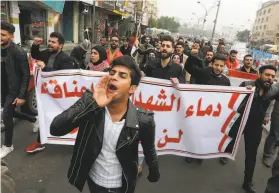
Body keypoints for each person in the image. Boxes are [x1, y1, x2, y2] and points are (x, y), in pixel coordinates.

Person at [49, 55, 160, 193]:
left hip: (122, 186)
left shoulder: (143, 119)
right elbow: (55, 128)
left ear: (132, 89)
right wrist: (93, 104)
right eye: (112, 73)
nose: (113, 77)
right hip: (93, 181)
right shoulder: (90, 103)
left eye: (122, 75)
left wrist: (154, 172)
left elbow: (149, 150)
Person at [224, 65, 279, 193]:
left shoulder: (274, 91)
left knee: (251, 155)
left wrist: (268, 115)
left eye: (272, 76)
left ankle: (247, 182)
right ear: (259, 74)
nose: (269, 78)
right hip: (240, 122)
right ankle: (226, 154)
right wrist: (245, 92)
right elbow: (233, 101)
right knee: (231, 141)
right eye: (267, 75)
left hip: (255, 127)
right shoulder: (246, 84)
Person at [26, 32, 75, 154]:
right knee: (44, 116)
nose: (50, 44)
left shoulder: (66, 59)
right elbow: (35, 55)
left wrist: (45, 68)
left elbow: (64, 76)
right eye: (49, 41)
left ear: (61, 46)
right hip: (46, 94)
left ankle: (74, 138)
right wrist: (35, 45)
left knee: (64, 118)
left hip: (60, 96)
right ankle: (40, 142)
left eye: (53, 42)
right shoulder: (46, 53)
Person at [0, 22, 30, 158]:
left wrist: (22, 95)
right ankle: (34, 119)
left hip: (14, 90)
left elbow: (25, 75)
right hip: (3, 89)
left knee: (6, 114)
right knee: (9, 113)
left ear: (11, 36)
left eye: (2, 35)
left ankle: (8, 145)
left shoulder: (19, 52)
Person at [262, 99, 279, 167]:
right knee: (274, 135)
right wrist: (267, 114)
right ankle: (267, 155)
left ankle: (273, 149)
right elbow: (271, 99)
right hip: (277, 114)